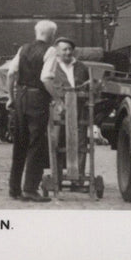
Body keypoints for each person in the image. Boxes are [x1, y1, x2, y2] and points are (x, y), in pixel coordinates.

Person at [6, 20, 56, 202]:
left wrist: (11, 97)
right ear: (52, 35)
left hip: (21, 97)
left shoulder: (23, 49)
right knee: (36, 144)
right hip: (37, 100)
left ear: (36, 33)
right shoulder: (50, 50)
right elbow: (46, 78)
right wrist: (57, 97)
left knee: (19, 143)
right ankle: (30, 189)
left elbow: (11, 74)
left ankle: (14, 188)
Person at [42, 38, 91, 176]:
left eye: (70, 49)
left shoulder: (81, 67)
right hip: (59, 109)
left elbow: (88, 87)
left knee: (80, 143)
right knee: (57, 141)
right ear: (57, 51)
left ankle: (78, 175)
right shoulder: (52, 67)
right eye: (64, 49)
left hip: (79, 109)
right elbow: (46, 85)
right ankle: (56, 176)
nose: (68, 52)